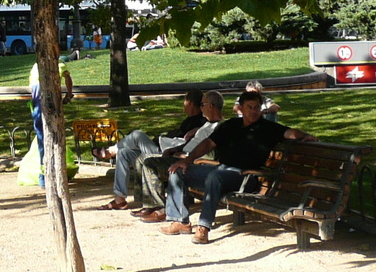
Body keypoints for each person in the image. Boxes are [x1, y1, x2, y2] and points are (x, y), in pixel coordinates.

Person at [161, 88, 317, 244]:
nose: (254, 111)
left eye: (256, 107)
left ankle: (204, 227)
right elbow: (208, 143)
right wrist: (187, 160)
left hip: (245, 176)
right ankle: (180, 221)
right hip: (220, 170)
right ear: (241, 108)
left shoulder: (268, 128)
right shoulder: (231, 125)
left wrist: (305, 135)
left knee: (214, 177)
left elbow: (290, 133)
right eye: (250, 107)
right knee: (178, 171)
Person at [96, 90, 208, 210]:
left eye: (184, 101)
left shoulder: (201, 122)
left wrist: (196, 130)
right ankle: (119, 199)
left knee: (137, 135)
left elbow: (193, 140)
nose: (183, 104)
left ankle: (110, 151)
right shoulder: (189, 120)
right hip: (161, 148)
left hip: (167, 154)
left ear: (190, 102)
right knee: (124, 153)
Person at [132, 90, 228, 221]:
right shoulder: (207, 123)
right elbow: (192, 142)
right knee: (141, 159)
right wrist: (174, 149)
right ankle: (146, 201)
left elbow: (211, 153)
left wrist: (186, 156)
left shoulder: (220, 127)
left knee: (150, 164)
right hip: (181, 155)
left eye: (202, 105)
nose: (200, 108)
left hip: (191, 162)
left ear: (210, 106)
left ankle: (158, 208)